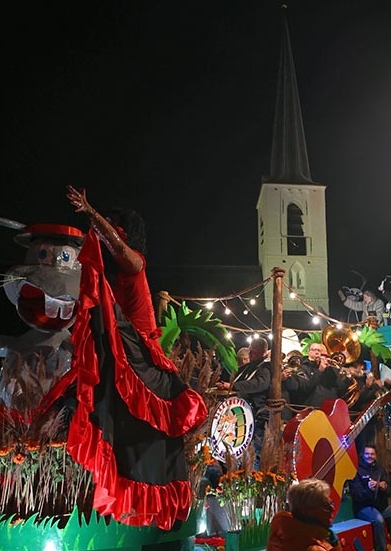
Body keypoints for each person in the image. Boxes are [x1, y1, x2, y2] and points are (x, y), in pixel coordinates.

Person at [63, 185, 207, 529]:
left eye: (114, 228)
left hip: (141, 358)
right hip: (125, 355)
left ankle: (151, 506)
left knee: (147, 446)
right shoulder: (110, 281)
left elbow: (116, 247)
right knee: (122, 439)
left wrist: (91, 213)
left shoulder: (136, 264)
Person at [216, 336, 271, 467]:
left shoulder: (266, 368)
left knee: (252, 454)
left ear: (263, 352)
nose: (251, 354)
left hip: (256, 416)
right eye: (250, 351)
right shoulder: (247, 368)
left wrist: (233, 386)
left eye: (254, 352)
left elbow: (260, 384)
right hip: (241, 415)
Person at [282, 340, 352, 411]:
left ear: (326, 354)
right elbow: (304, 387)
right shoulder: (302, 367)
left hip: (331, 409)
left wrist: (343, 376)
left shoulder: (332, 368)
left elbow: (341, 388)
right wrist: (319, 371)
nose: (317, 352)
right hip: (310, 410)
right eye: (313, 350)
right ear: (308, 352)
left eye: (320, 350)